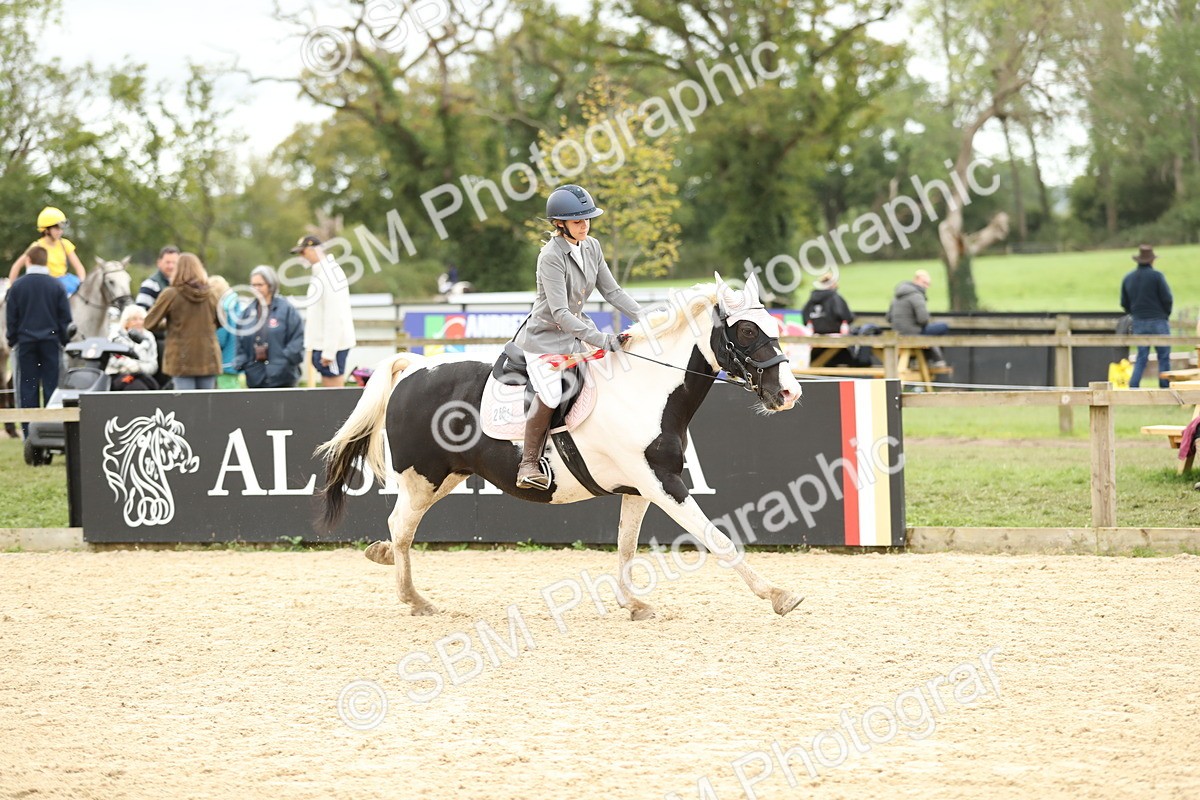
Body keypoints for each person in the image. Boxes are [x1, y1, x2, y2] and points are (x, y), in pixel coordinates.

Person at [512, 184, 643, 489]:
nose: (585, 225)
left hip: (575, 336)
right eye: (577, 221)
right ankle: (528, 464)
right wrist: (602, 340)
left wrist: (647, 318)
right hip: (544, 340)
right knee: (550, 393)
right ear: (560, 224)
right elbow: (560, 313)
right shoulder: (550, 256)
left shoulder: (592, 246)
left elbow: (613, 291)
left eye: (587, 219)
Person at [5, 246, 72, 437]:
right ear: (46, 261)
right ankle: (53, 435)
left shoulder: (18, 286)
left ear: (28, 260)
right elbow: (65, 318)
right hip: (51, 343)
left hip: (25, 343)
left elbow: (11, 317)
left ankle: (30, 436)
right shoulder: (56, 285)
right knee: (52, 389)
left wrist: (12, 339)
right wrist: (64, 340)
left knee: (27, 389)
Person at [143, 252, 221, 390]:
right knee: (207, 402)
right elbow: (222, 321)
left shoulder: (171, 294)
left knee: (186, 402)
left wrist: (169, 324)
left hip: (181, 359)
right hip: (208, 357)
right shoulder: (211, 294)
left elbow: (149, 323)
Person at [292, 235, 356, 387]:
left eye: (303, 252)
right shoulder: (321, 272)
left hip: (332, 347)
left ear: (313, 250)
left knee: (334, 394)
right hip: (324, 345)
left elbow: (334, 315)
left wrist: (329, 351)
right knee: (328, 392)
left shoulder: (329, 274)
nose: (301, 257)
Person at [233, 265, 305, 389]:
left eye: (260, 285)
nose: (256, 288)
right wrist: (245, 364)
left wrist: (282, 362)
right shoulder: (247, 313)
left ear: (271, 285)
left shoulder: (287, 310)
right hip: (255, 378)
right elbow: (240, 344)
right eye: (253, 285)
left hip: (283, 379)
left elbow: (297, 340)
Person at [1121, 244, 1174, 388]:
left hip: (1139, 321)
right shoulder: (1157, 276)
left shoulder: (1128, 278)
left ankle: (1133, 386)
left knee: (1141, 357)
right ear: (1152, 260)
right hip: (1158, 321)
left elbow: (1124, 302)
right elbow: (1167, 299)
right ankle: (1164, 388)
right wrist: (1165, 314)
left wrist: (1135, 314)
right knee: (1163, 357)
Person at [7, 207, 87, 296]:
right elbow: (16, 266)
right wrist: (11, 287)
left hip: (65, 282)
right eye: (57, 228)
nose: (60, 232)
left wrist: (82, 282)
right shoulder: (37, 246)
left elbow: (79, 267)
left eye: (61, 229)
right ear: (46, 230)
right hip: (46, 284)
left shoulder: (65, 244)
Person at [137, 246, 180, 386]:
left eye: (174, 262)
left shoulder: (181, 284)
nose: (171, 266)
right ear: (159, 263)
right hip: (157, 338)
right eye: (167, 262)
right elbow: (140, 313)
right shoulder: (150, 285)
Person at [887, 268, 949, 365]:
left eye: (928, 284)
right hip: (914, 333)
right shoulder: (917, 296)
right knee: (943, 327)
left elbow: (888, 318)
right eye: (924, 283)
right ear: (916, 280)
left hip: (898, 334)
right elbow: (923, 319)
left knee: (928, 333)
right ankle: (934, 360)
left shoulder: (896, 296)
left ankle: (923, 359)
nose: (926, 286)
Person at [802, 271, 864, 367]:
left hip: (816, 345)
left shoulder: (811, 299)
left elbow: (805, 318)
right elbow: (847, 316)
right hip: (837, 344)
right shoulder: (835, 298)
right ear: (833, 284)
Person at [105, 304, 159, 391]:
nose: (139, 322)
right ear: (126, 322)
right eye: (134, 319)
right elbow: (110, 360)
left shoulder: (148, 337)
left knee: (144, 386)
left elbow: (153, 365)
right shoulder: (115, 336)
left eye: (141, 319)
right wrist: (125, 363)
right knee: (134, 387)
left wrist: (138, 367)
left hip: (141, 375)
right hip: (118, 375)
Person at [208, 275, 244, 389]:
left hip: (224, 363)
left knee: (225, 396)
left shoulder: (223, 310)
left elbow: (220, 339)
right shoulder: (236, 307)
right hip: (235, 360)